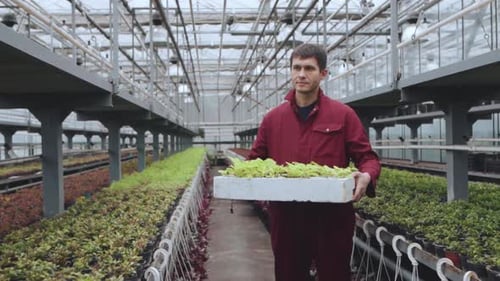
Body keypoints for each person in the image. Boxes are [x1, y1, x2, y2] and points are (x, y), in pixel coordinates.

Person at [247, 43, 381, 281]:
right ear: (290, 71)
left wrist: (367, 175)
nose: (301, 74)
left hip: (331, 219)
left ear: (323, 74)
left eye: (309, 68)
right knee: (289, 274)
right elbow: (253, 161)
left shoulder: (343, 115)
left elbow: (367, 158)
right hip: (287, 218)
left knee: (335, 274)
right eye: (296, 67)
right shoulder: (272, 120)